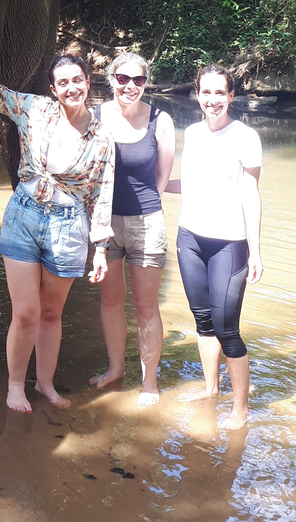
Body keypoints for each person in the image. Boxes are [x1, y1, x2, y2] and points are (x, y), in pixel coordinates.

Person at [0, 11, 115, 413]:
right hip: (23, 217)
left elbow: (101, 196)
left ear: (87, 83)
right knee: (24, 313)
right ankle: (15, 386)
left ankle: (45, 384)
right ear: (53, 88)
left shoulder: (102, 139)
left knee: (50, 313)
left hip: (68, 228)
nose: (71, 87)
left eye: (78, 80)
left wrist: (101, 250)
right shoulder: (34, 110)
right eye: (63, 82)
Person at [169, 64, 263, 430]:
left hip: (230, 242)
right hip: (190, 237)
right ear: (197, 94)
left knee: (227, 327)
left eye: (219, 93)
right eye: (205, 93)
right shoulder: (191, 133)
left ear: (231, 96)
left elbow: (251, 193)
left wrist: (255, 250)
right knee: (203, 320)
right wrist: (154, 182)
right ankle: (211, 390)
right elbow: (192, 182)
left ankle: (240, 409)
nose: (212, 100)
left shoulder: (245, 137)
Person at [89, 54, 176, 406]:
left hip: (146, 222)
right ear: (111, 79)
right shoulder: (95, 117)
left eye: (138, 80)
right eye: (123, 78)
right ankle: (115, 370)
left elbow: (161, 181)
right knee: (110, 300)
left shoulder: (161, 120)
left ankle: (149, 383)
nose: (130, 86)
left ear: (146, 83)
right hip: (104, 224)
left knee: (145, 305)